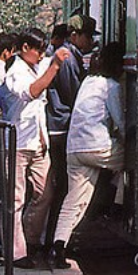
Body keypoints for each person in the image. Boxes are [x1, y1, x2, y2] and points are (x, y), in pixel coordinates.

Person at [0, 28, 69, 269]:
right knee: (15, 198)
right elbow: (31, 92)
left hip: (39, 141)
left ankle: (30, 239)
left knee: (44, 192)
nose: (41, 55)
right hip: (18, 142)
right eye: (38, 50)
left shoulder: (38, 64)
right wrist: (55, 67)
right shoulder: (15, 70)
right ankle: (16, 252)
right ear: (25, 48)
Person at [51, 42, 125, 269]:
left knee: (73, 200)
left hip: (74, 149)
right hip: (97, 146)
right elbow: (120, 121)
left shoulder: (87, 82)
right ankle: (118, 204)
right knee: (135, 160)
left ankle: (59, 246)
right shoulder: (111, 86)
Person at [44, 14, 98, 253]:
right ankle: (54, 241)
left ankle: (56, 239)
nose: (89, 41)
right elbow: (73, 95)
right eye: (87, 36)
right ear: (75, 36)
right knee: (63, 189)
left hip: (63, 126)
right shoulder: (67, 59)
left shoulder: (73, 56)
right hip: (61, 127)